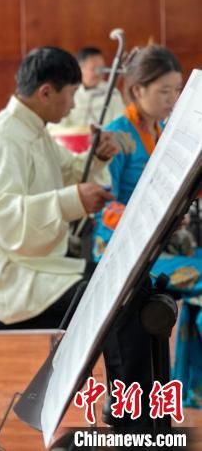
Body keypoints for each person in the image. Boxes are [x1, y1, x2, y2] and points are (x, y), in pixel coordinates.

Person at [0, 46, 157, 426]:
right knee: (122, 298)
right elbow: (4, 218)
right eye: (71, 95)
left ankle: (138, 414)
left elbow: (67, 172)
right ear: (47, 92)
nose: (72, 107)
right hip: (13, 279)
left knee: (139, 284)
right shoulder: (4, 140)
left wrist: (97, 158)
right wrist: (71, 201)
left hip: (37, 265)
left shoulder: (31, 129)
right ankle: (130, 421)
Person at [93, 44, 202, 409]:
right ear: (137, 89)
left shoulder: (162, 130)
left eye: (177, 90)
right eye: (164, 91)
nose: (173, 99)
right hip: (123, 249)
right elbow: (104, 203)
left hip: (156, 242)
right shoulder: (116, 136)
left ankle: (189, 385)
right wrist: (153, 218)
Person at [48, 47, 126, 153]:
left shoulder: (112, 93)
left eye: (102, 69)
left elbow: (120, 123)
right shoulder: (68, 92)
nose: (99, 73)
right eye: (94, 69)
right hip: (71, 147)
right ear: (80, 68)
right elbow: (57, 126)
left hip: (104, 146)